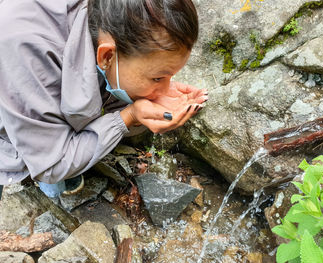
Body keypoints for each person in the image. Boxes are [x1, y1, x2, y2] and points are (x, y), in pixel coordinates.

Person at [0, 0, 208, 199]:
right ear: (107, 56)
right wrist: (128, 117)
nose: (164, 89)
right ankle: (52, 174)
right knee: (50, 166)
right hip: (12, 88)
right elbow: (51, 164)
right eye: (158, 78)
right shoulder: (26, 49)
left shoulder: (110, 17)